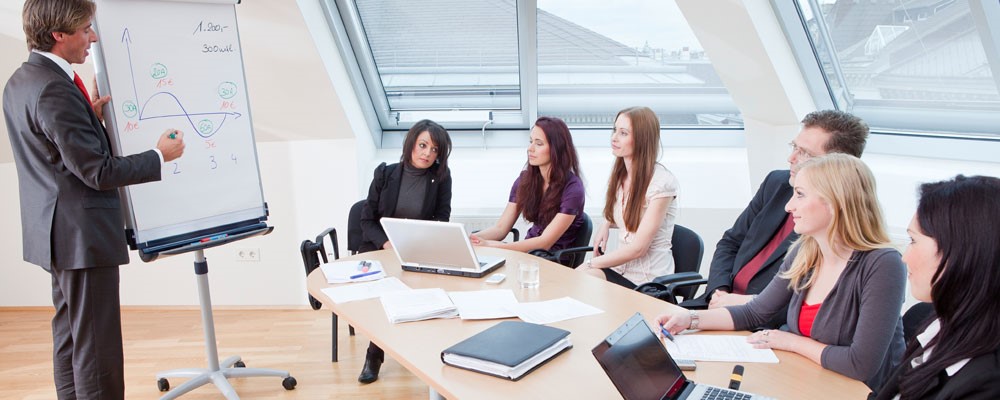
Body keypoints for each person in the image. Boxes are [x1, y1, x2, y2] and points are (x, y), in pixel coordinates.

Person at [3, 1, 186, 398]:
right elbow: (97, 172)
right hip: (81, 237)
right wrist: (158, 156)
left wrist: (91, 119)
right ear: (58, 35)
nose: (94, 37)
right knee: (97, 348)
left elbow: (53, 152)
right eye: (85, 29)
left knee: (71, 337)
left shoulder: (23, 79)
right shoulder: (54, 88)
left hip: (56, 234)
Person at [657, 154, 906, 391]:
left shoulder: (883, 264)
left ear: (834, 201)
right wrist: (690, 319)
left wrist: (790, 342)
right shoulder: (806, 252)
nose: (789, 206)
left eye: (799, 195)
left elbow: (860, 364)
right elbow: (755, 313)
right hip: (807, 380)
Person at [697, 110, 869, 329]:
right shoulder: (777, 183)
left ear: (835, 167)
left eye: (805, 153)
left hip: (762, 325)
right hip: (719, 304)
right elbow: (731, 242)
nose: (792, 158)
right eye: (794, 147)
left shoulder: (829, 230)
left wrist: (744, 303)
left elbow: (809, 308)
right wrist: (719, 292)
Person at [872, 175, 1000, 399]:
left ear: (960, 252)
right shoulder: (935, 323)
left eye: (913, 240)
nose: (905, 258)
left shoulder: (988, 383)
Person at [356, 119, 452, 383]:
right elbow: (367, 220)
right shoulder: (385, 173)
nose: (427, 154)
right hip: (380, 247)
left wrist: (417, 246)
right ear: (410, 144)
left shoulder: (441, 178)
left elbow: (442, 219)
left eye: (435, 151)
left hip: (418, 249)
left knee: (431, 289)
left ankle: (417, 350)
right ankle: (374, 355)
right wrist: (388, 245)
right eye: (423, 145)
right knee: (385, 288)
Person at [580, 106, 679, 288]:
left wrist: (590, 263)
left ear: (642, 139)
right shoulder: (621, 176)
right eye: (615, 130)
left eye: (623, 133)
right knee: (580, 280)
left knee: (585, 278)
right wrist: (607, 223)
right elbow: (629, 217)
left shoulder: (662, 183)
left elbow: (638, 249)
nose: (614, 138)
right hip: (622, 272)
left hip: (648, 281)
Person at [470, 116, 586, 262]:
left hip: (554, 261)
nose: (530, 148)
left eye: (539, 143)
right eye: (531, 142)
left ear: (556, 148)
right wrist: (470, 239)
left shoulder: (573, 188)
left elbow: (545, 242)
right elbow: (500, 229)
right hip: (528, 255)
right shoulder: (525, 180)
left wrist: (491, 246)